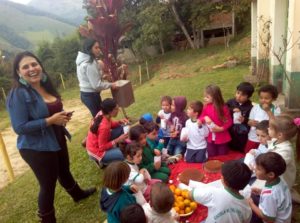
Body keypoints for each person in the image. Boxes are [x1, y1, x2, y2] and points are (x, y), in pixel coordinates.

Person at [6, 51, 96, 222]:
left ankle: (77, 194)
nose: (31, 69)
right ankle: (47, 219)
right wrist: (50, 120)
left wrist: (61, 117)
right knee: (48, 185)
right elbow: (19, 127)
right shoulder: (18, 94)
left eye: (34, 64)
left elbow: (52, 110)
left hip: (57, 137)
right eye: (25, 67)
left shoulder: (45, 86)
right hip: (36, 147)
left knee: (64, 170)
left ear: (40, 66)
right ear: (18, 72)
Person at [76, 38, 117, 117]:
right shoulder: (89, 63)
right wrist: (111, 84)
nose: (98, 50)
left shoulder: (85, 60)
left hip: (87, 94)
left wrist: (102, 75)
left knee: (100, 116)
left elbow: (91, 76)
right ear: (89, 49)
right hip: (90, 95)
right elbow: (96, 85)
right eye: (96, 48)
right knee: (100, 118)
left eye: (99, 47)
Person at [248, 152, 292, 223]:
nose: (255, 169)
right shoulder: (281, 180)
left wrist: (251, 204)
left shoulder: (269, 195)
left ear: (271, 174)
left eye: (258, 169)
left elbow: (269, 219)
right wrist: (261, 191)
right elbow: (278, 196)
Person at [267, 114, 300, 203]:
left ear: (280, 135)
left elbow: (274, 165)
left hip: (282, 180)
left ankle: (288, 195)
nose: (267, 129)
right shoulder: (276, 141)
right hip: (276, 176)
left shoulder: (286, 151)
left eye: (270, 128)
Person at [86, 98, 128, 166]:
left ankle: (114, 150)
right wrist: (118, 140)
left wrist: (119, 122)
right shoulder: (104, 127)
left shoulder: (102, 113)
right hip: (96, 151)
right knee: (124, 154)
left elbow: (110, 124)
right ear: (109, 111)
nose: (119, 110)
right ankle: (103, 161)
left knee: (121, 128)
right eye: (116, 109)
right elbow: (102, 147)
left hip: (99, 142)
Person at [244, 84, 280, 153]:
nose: (263, 100)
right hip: (254, 137)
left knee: (266, 155)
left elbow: (276, 123)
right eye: (261, 98)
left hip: (268, 138)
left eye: (266, 98)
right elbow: (250, 120)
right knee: (249, 153)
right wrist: (250, 122)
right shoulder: (255, 107)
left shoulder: (276, 109)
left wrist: (268, 111)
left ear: (273, 99)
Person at [199, 84, 232, 156]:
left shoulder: (223, 108)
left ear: (215, 97)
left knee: (222, 154)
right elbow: (200, 118)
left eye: (207, 97)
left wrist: (221, 128)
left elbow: (229, 121)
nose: (204, 98)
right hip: (210, 137)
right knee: (211, 154)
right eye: (205, 96)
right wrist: (204, 118)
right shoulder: (206, 107)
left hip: (222, 137)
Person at [226, 82, 254, 152]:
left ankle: (240, 151)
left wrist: (244, 119)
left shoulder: (250, 107)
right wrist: (232, 110)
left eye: (243, 95)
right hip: (230, 127)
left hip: (242, 131)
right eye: (238, 93)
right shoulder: (231, 102)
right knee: (229, 144)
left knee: (240, 144)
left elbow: (251, 120)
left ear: (248, 97)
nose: (238, 96)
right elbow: (224, 109)